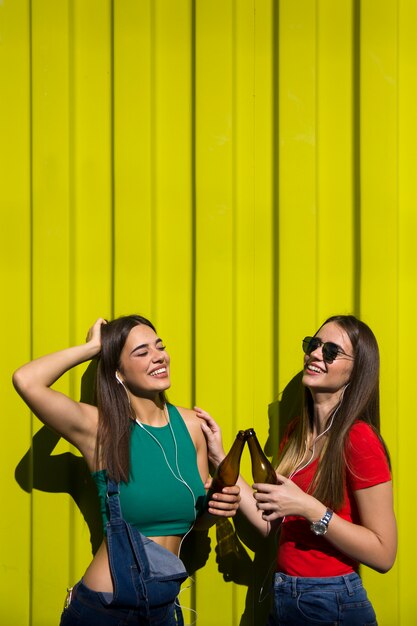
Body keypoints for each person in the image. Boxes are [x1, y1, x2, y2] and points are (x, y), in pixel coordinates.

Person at [13, 315, 240, 626]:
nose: (158, 356)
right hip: (105, 611)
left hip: (162, 609)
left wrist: (217, 509)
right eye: (142, 352)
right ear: (118, 372)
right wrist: (93, 347)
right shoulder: (101, 428)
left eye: (159, 347)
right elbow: (26, 380)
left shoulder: (191, 426)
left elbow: (197, 521)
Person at [197, 314, 397, 625]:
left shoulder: (359, 439)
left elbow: (384, 554)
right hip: (284, 595)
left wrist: (310, 508)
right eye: (313, 344)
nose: (316, 354)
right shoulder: (295, 434)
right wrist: (220, 456)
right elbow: (270, 525)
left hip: (332, 602)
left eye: (331, 351)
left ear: (355, 371)